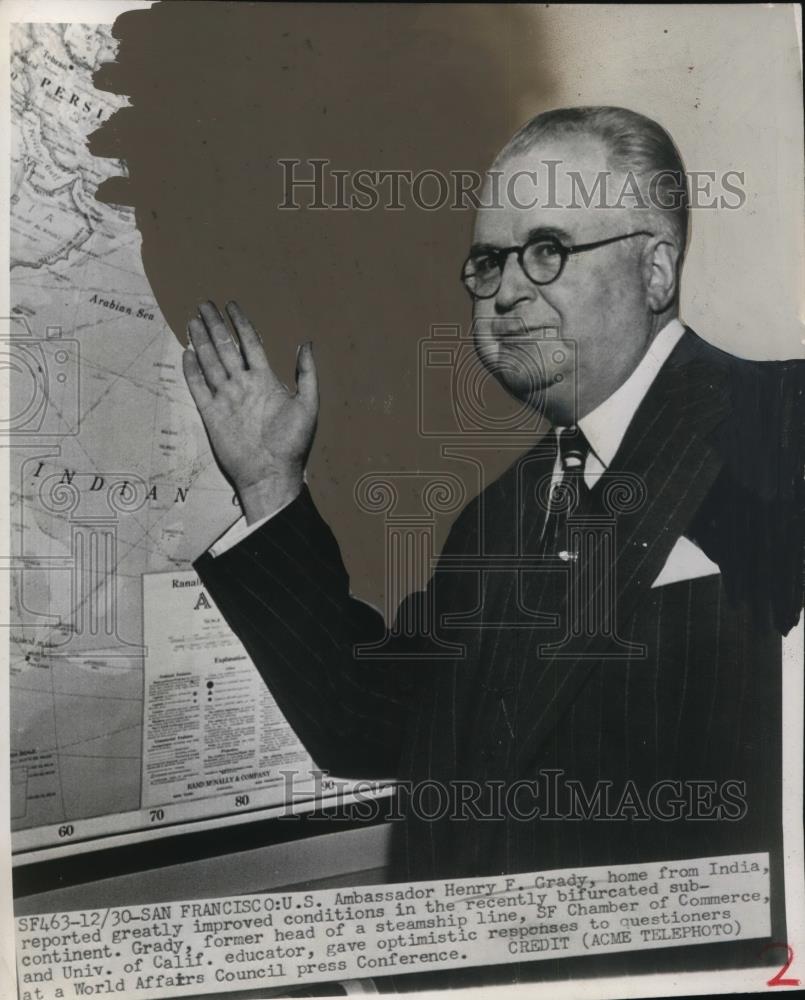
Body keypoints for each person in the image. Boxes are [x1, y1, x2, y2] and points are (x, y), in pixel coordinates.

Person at [184, 107, 802, 984]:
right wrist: (269, 485)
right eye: (487, 261)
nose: (506, 290)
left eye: (547, 248)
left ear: (655, 268)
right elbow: (371, 721)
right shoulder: (500, 514)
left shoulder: (782, 425)